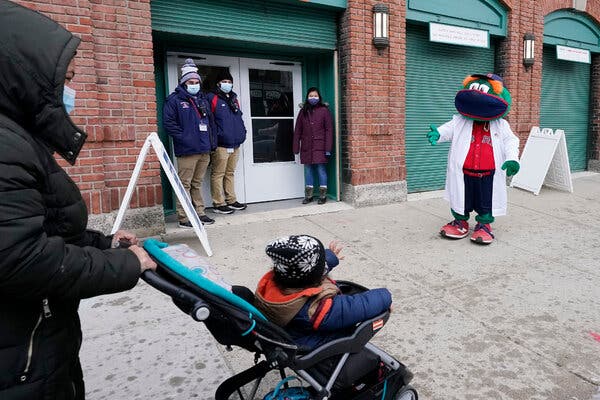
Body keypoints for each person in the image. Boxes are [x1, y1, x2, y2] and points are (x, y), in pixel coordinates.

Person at [0, 2, 157, 399]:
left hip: (35, 343)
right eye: (64, 79)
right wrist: (121, 265)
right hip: (20, 364)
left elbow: (39, 224)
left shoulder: (17, 137)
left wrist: (100, 243)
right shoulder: (5, 145)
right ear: (24, 75)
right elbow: (21, 259)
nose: (69, 91)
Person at [427, 73, 520, 244]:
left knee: (486, 201)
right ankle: (460, 222)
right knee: (461, 198)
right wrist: (438, 133)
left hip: (488, 174)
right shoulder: (460, 121)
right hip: (464, 173)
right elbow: (448, 129)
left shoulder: (501, 125)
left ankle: (484, 226)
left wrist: (513, 158)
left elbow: (511, 141)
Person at [254, 235, 392, 350]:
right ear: (314, 275)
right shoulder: (316, 308)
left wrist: (330, 259)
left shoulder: (275, 283)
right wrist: (385, 297)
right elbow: (354, 307)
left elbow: (304, 271)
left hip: (293, 333)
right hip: (316, 344)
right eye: (322, 263)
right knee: (355, 327)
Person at [163, 58, 217, 227]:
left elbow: (210, 123)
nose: (194, 84)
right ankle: (184, 217)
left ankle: (200, 213)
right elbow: (169, 124)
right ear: (184, 83)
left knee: (197, 183)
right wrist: (185, 139)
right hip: (187, 151)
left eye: (196, 82)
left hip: (204, 149)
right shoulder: (175, 100)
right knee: (184, 184)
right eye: (191, 82)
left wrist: (211, 143)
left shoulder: (202, 100)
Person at [207, 70, 247, 214]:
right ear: (218, 83)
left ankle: (231, 200)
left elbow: (238, 117)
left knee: (230, 173)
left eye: (230, 82)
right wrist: (214, 140)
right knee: (218, 173)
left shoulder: (233, 98)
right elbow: (210, 121)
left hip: (235, 143)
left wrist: (243, 132)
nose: (227, 84)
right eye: (224, 81)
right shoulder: (212, 98)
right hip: (221, 144)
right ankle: (218, 203)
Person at [293, 87, 334, 205]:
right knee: (308, 170)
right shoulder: (303, 111)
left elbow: (328, 130)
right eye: (310, 96)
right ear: (307, 97)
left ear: (319, 97)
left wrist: (328, 148)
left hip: (320, 146)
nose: (313, 98)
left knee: (321, 169)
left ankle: (322, 195)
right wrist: (296, 147)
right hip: (306, 146)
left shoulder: (324, 110)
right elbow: (298, 131)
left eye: (315, 96)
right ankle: (309, 195)